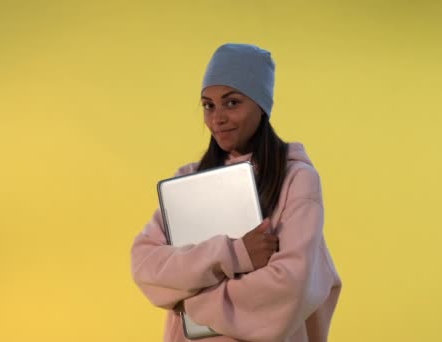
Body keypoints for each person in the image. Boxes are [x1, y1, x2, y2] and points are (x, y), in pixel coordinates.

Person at [130, 43, 341, 342]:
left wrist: (188, 299)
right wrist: (235, 254)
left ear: (261, 105)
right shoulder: (187, 180)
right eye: (208, 105)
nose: (217, 118)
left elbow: (288, 288)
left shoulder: (296, 179)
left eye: (232, 103)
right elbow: (145, 265)